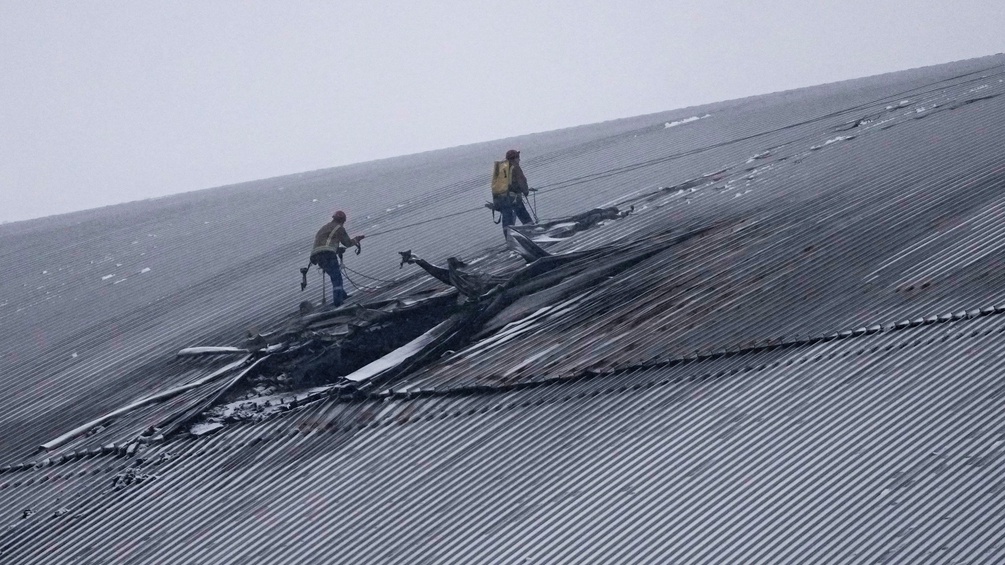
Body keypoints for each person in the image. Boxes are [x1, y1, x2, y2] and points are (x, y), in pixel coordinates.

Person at [310, 210, 364, 307]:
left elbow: (325, 242)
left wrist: (336, 249)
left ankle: (342, 295)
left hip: (317, 255)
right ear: (342, 220)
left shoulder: (324, 228)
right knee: (337, 278)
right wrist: (357, 239)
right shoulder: (339, 228)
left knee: (334, 275)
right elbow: (347, 243)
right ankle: (338, 301)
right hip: (327, 254)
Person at [493, 149, 534, 228]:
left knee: (507, 222)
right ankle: (532, 232)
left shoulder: (500, 168)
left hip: (502, 200)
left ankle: (509, 237)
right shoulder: (515, 166)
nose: (519, 160)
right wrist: (526, 191)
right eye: (518, 158)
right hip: (514, 199)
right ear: (515, 158)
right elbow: (522, 180)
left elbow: (494, 187)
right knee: (524, 217)